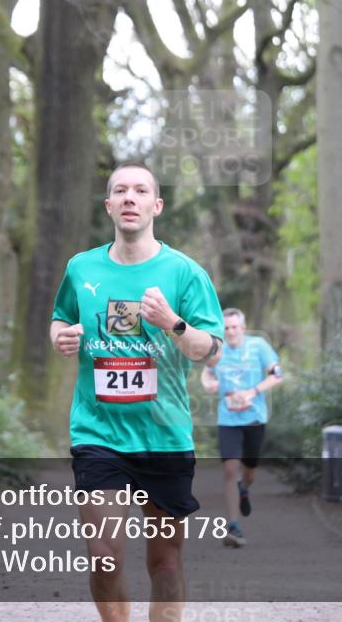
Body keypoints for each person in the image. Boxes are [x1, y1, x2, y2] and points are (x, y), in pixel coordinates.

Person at [50, 162, 224, 622]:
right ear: (108, 205)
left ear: (156, 205)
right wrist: (60, 337)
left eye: (141, 190)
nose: (130, 198)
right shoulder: (81, 267)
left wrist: (173, 323)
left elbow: (211, 352)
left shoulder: (185, 273)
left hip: (164, 436)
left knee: (165, 561)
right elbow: (61, 317)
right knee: (103, 555)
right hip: (98, 433)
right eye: (121, 191)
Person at [200, 308, 283, 548]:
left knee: (249, 471)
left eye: (235, 327)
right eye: (226, 328)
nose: (231, 331)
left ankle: (244, 489)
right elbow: (206, 373)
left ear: (243, 328)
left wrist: (252, 392)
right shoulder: (218, 349)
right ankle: (233, 526)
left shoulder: (258, 346)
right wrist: (209, 384)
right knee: (229, 470)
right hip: (228, 420)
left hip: (254, 419)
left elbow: (277, 375)